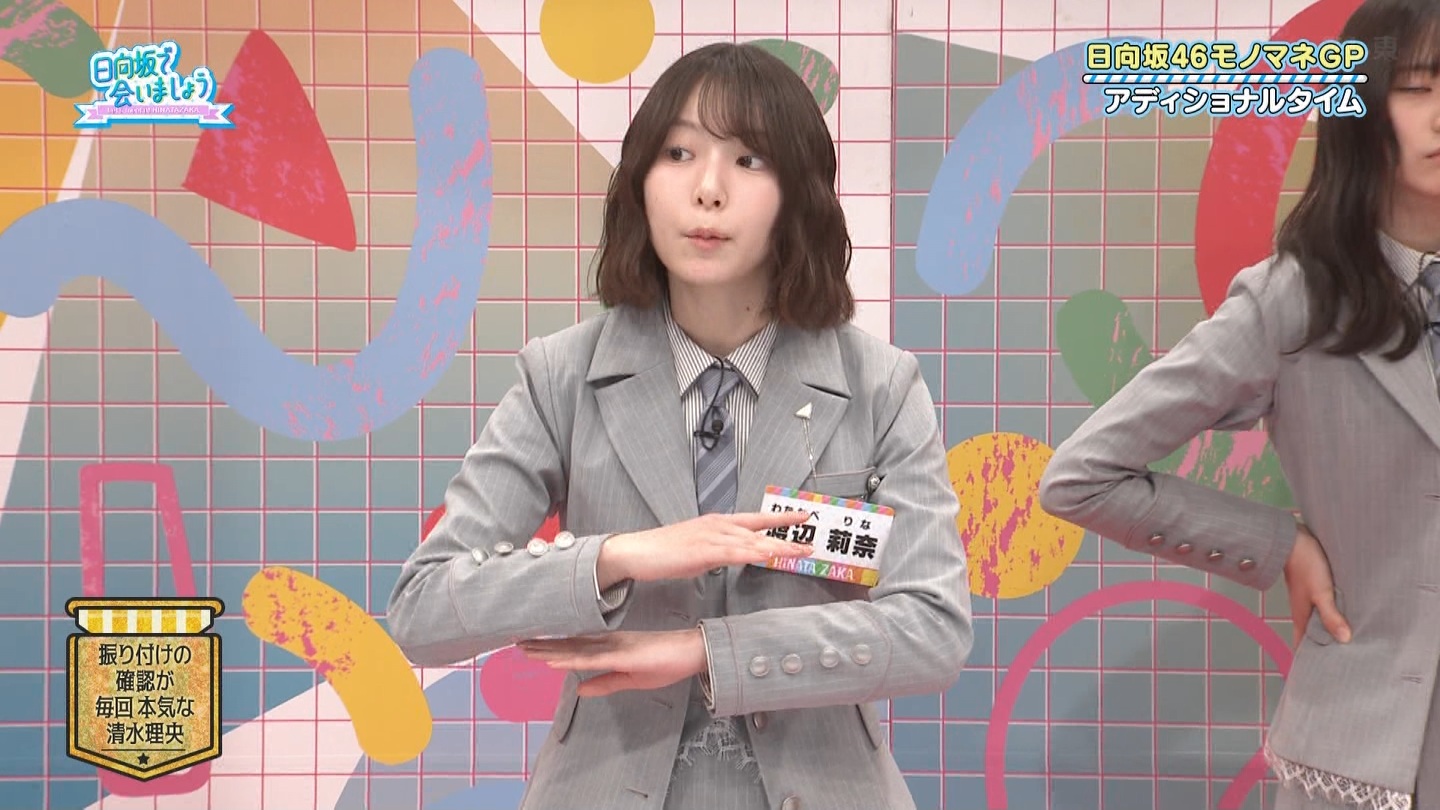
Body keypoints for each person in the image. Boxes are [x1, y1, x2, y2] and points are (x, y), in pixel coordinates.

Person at [387, 42, 973, 810]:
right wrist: (621, 557)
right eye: (679, 153)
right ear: (639, 182)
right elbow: (424, 611)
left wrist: (706, 651)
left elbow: (932, 629)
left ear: (800, 196)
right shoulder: (560, 376)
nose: (708, 190)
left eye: (749, 160)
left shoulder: (880, 384)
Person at [1038, 1, 1440, 808]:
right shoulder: (1293, 300)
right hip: (1365, 750)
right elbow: (1081, 477)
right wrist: (1278, 545)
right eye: (1417, 86)